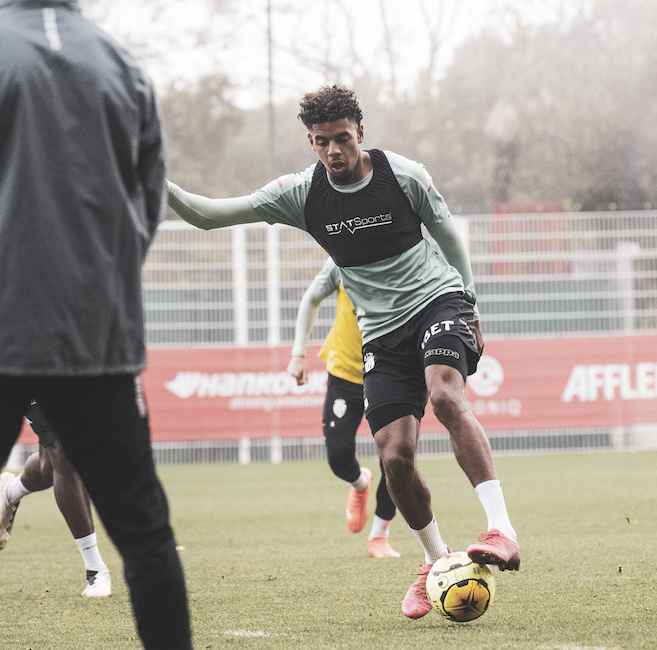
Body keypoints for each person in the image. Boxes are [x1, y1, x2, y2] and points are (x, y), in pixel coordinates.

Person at [0, 0, 191, 647]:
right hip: (95, 338)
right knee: (144, 531)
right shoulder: (122, 65)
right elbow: (148, 200)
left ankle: (52, 530)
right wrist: (101, 286)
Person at [168, 84, 520, 620]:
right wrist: (154, 179)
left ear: (361, 133)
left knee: (446, 396)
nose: (333, 150)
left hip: (437, 300)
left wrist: (469, 302)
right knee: (394, 455)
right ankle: (436, 561)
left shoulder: (404, 175)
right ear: (311, 142)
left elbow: (448, 237)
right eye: (321, 141)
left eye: (342, 138)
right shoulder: (300, 194)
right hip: (380, 333)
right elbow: (206, 215)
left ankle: (501, 529)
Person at [287, 259, 399, 559]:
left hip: (391, 372)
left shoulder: (407, 256)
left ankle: (379, 536)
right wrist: (299, 353)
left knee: (395, 460)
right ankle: (360, 483)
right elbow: (311, 298)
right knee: (338, 456)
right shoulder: (341, 256)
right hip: (345, 372)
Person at [0, 403, 112, 598]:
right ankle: (95, 570)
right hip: (35, 384)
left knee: (49, 468)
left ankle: (11, 491)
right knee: (65, 453)